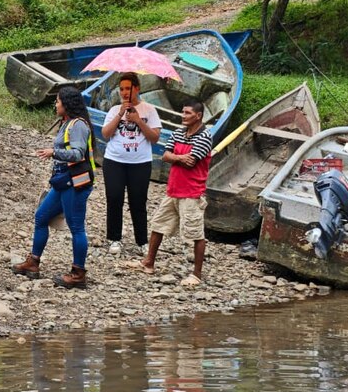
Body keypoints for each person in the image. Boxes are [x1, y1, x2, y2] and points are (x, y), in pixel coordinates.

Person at [12, 86, 95, 288]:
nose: (55, 104)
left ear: (66, 104)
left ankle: (78, 274)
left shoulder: (77, 126)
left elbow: (77, 154)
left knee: (76, 227)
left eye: (57, 101)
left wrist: (54, 152)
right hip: (62, 181)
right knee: (41, 216)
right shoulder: (68, 123)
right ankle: (33, 262)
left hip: (74, 183)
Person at [137, 100, 212, 287]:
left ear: (198, 115)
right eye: (183, 112)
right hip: (173, 189)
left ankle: (196, 274)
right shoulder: (179, 132)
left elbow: (192, 161)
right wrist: (178, 157)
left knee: (195, 233)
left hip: (192, 192)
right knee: (158, 224)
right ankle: (149, 262)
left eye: (187, 113)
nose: (183, 116)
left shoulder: (205, 136)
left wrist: (174, 157)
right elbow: (166, 155)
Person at [101, 72, 161, 255]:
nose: (125, 92)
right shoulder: (114, 110)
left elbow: (155, 138)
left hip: (140, 163)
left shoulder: (149, 110)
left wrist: (137, 121)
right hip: (114, 161)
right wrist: (120, 114)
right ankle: (114, 238)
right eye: (121, 89)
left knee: (138, 201)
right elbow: (105, 134)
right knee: (114, 198)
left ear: (137, 88)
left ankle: (142, 241)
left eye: (128, 88)